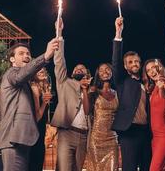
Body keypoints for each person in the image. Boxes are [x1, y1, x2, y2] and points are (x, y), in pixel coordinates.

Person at [0, 38, 59, 171]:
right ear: (12, 59)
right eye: (21, 53)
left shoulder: (23, 84)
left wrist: (10, 120)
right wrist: (46, 56)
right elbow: (20, 75)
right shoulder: (11, 74)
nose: (26, 56)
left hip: (21, 139)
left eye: (28, 54)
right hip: (13, 141)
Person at [111, 17, 152, 171]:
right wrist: (118, 33)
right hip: (129, 132)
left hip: (146, 132)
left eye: (137, 61)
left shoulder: (146, 83)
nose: (135, 64)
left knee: (146, 167)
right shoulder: (122, 80)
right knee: (129, 168)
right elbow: (115, 60)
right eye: (130, 62)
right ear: (125, 66)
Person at [51, 19, 91, 171]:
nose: (79, 70)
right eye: (77, 69)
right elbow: (59, 61)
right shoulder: (64, 82)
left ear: (87, 74)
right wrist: (59, 33)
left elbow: (88, 112)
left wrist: (86, 90)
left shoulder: (90, 90)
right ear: (72, 73)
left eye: (83, 70)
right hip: (67, 133)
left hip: (84, 135)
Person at [142, 59, 165, 171]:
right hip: (155, 136)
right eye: (148, 70)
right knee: (161, 168)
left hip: (164, 135)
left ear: (160, 68)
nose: (151, 71)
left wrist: (161, 88)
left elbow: (164, 95)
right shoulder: (153, 88)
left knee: (154, 169)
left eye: (153, 67)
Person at [85, 63, 119, 171]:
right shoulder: (94, 91)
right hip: (96, 139)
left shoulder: (118, 93)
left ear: (112, 72)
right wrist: (86, 91)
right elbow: (86, 111)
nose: (105, 72)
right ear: (98, 75)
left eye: (107, 69)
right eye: (101, 70)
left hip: (112, 138)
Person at [29, 67, 53, 171]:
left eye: (43, 70)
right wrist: (44, 102)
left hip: (41, 131)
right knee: (35, 163)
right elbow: (37, 116)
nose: (41, 71)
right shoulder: (34, 87)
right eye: (38, 70)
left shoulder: (44, 88)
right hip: (35, 132)